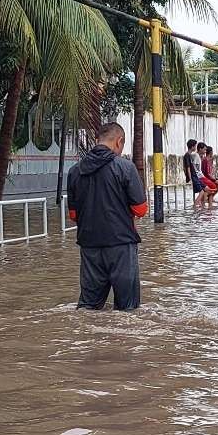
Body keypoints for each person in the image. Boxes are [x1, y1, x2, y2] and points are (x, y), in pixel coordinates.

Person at [67, 122, 148, 311]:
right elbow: (141, 209)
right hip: (121, 246)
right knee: (128, 310)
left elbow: (73, 215)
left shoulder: (75, 171)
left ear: (97, 141)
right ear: (119, 142)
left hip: (89, 247)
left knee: (88, 307)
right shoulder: (125, 168)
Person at [185, 140, 203, 209]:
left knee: (202, 191)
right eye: (195, 146)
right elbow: (188, 168)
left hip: (194, 176)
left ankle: (198, 205)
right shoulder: (187, 155)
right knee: (201, 192)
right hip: (193, 176)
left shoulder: (190, 155)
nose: (196, 147)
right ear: (192, 146)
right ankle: (194, 206)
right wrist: (190, 179)